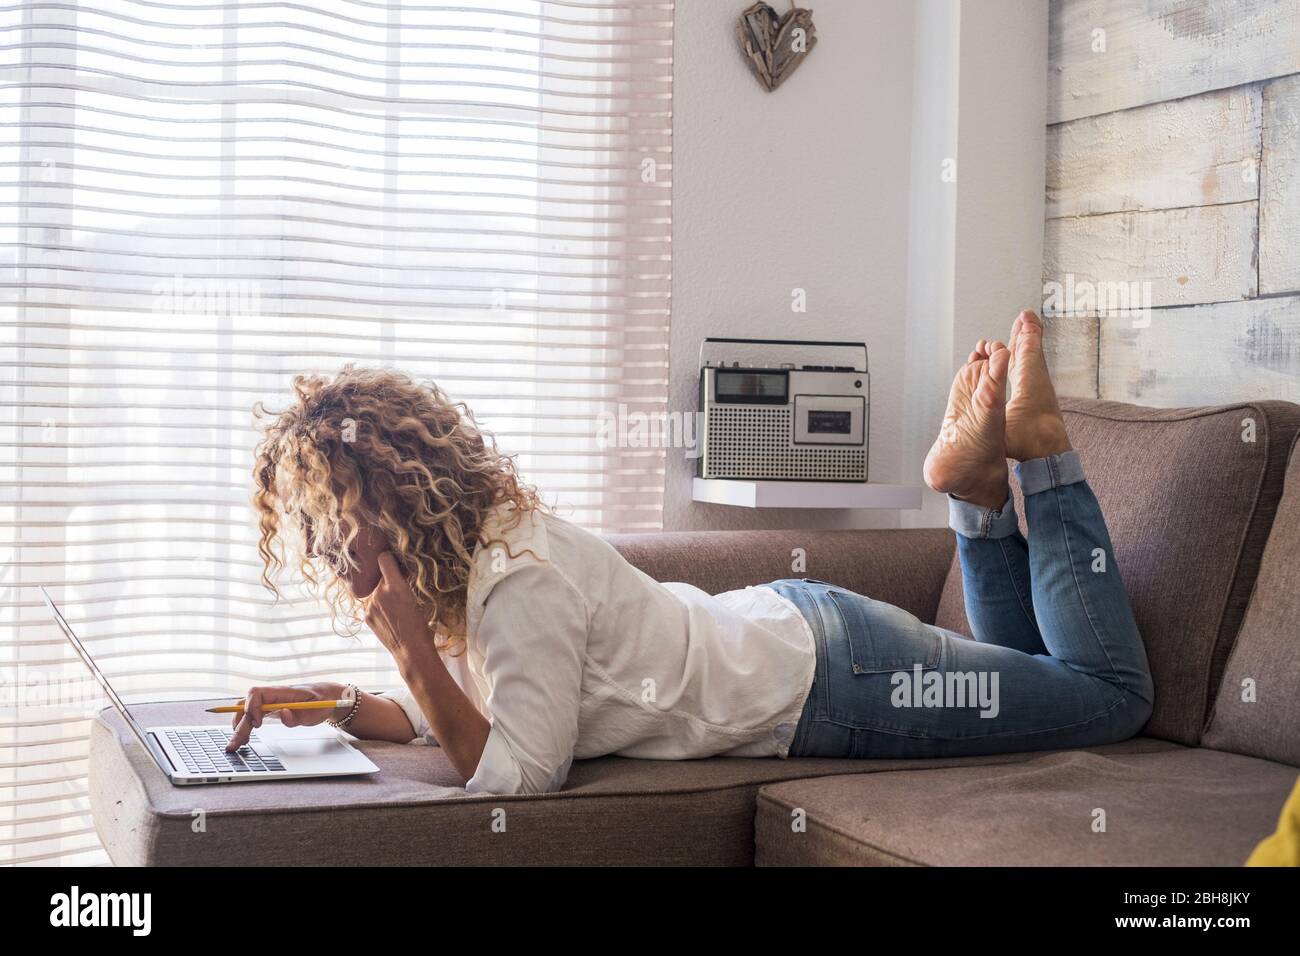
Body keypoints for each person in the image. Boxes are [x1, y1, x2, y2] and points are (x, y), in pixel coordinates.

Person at [228, 309, 1154, 795]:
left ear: (396, 505)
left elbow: (518, 772)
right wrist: (328, 706)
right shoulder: (481, 563)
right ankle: (981, 495)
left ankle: (1042, 460)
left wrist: (408, 652)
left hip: (837, 686)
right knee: (1034, 672)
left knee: (1111, 700)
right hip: (810, 643)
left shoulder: (515, 585)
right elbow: (450, 717)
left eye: (332, 523)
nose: (325, 552)